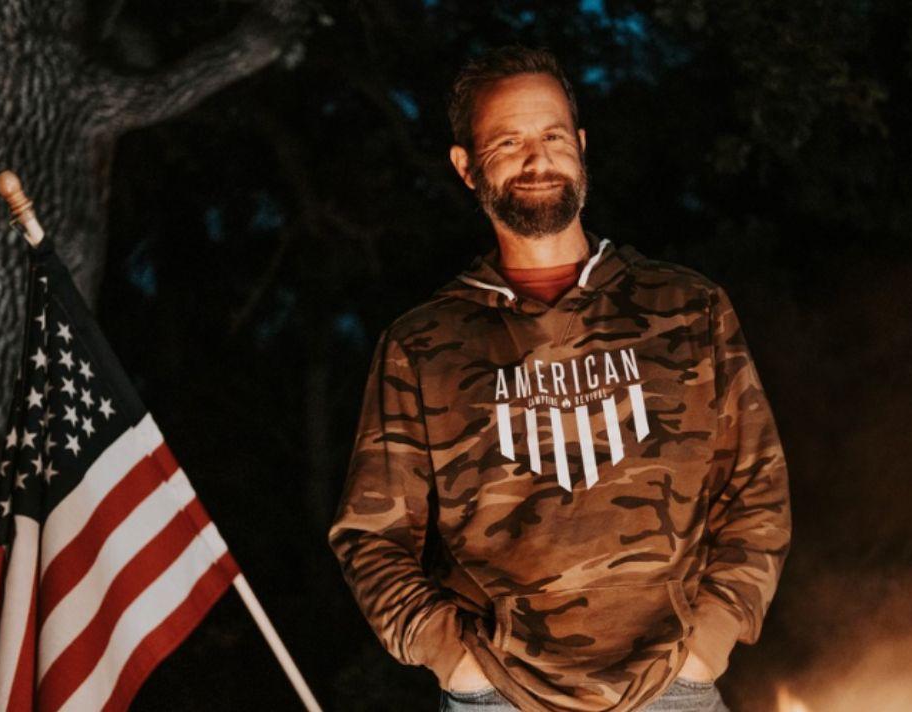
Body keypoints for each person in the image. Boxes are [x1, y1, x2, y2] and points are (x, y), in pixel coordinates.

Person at [327, 45, 791, 712]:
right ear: (466, 167)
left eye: (551, 136)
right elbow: (371, 535)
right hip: (500, 698)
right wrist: (456, 662)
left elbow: (757, 490)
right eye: (508, 141)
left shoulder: (686, 308)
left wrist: (707, 644)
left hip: (672, 689)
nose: (536, 159)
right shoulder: (423, 345)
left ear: (579, 145)